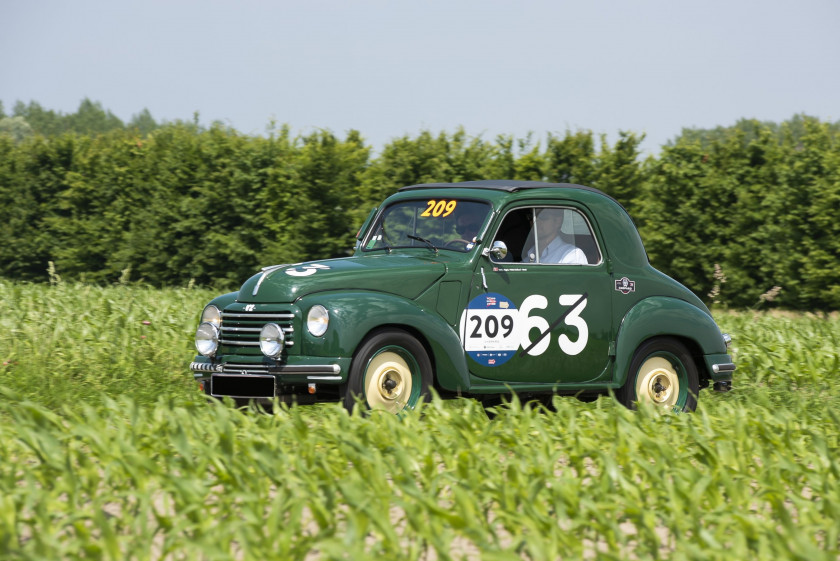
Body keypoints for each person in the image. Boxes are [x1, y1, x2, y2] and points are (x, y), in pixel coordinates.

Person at [522, 208, 587, 264]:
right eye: (531, 216)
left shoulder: (572, 255)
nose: (535, 220)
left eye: (542, 215)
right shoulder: (529, 255)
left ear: (558, 221)